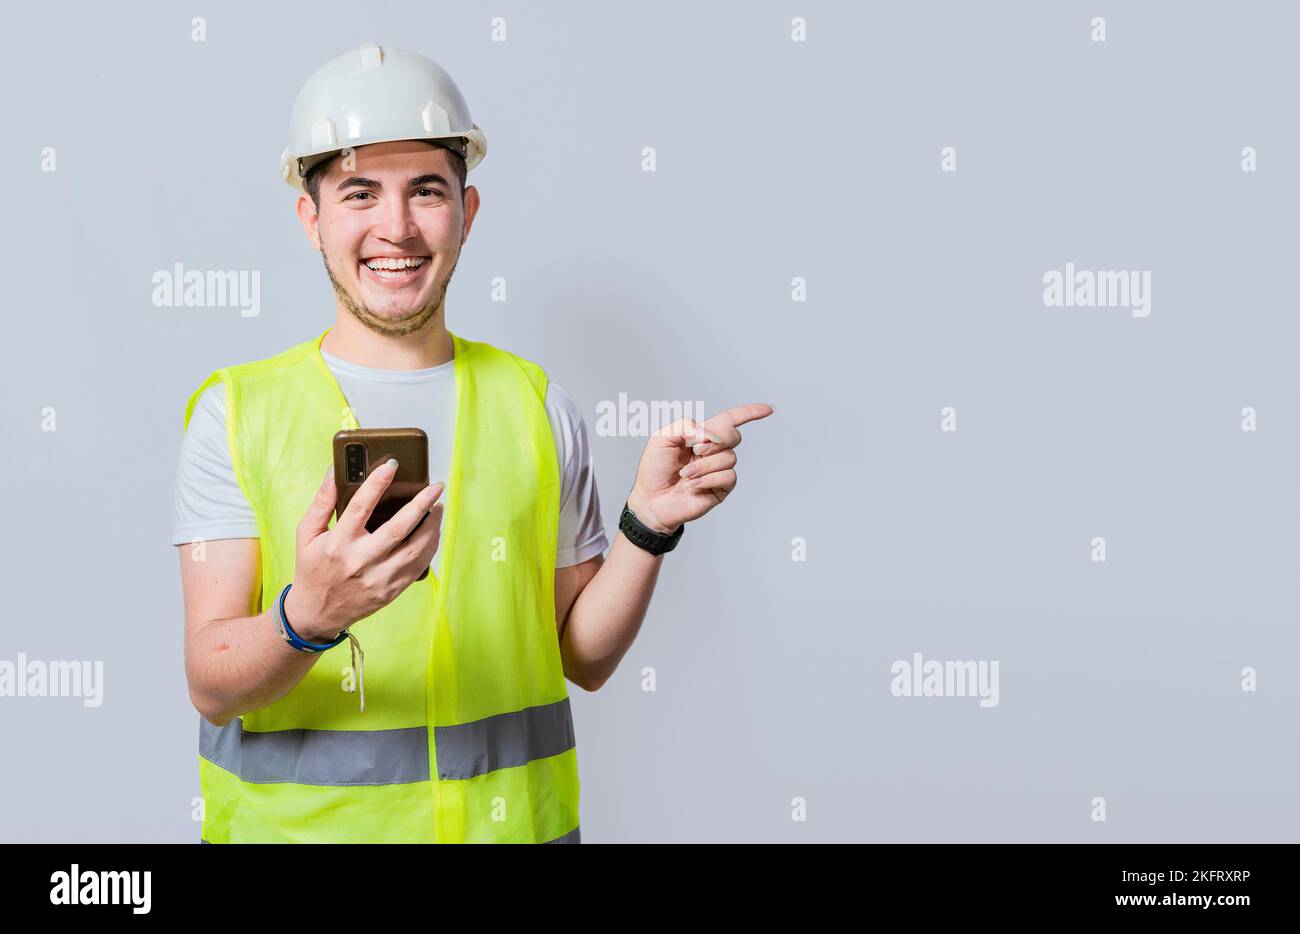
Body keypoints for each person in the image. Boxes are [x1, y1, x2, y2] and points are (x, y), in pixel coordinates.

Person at [173, 42, 773, 843]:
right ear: (310, 217)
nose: (397, 227)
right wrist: (307, 616)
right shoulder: (236, 411)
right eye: (360, 192)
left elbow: (584, 658)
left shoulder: (535, 404)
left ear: (468, 209)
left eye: (427, 190)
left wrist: (648, 521)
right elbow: (212, 681)